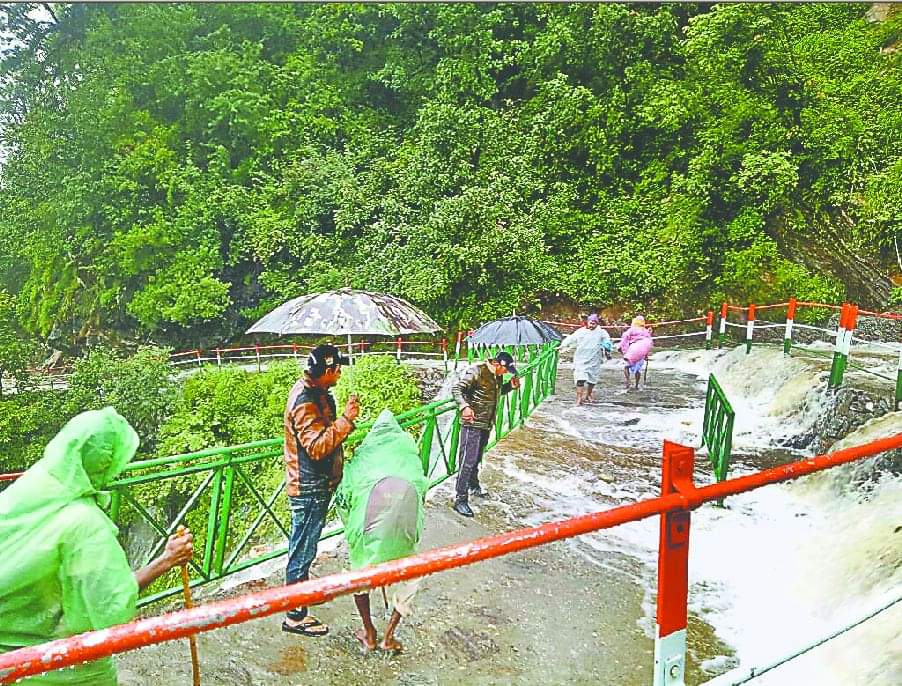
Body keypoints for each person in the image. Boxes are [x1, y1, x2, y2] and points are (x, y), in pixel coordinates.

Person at [0, 407, 194, 686]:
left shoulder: (28, 489)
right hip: (60, 671)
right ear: (104, 464)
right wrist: (167, 559)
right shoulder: (84, 525)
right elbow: (111, 609)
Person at [335, 410, 428, 654]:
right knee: (408, 579)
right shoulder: (409, 459)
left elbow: (344, 497)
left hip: (367, 532)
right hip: (402, 534)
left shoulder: (363, 461)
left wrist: (352, 529)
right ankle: (389, 636)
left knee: (360, 575)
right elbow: (421, 493)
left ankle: (369, 631)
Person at [282, 343, 359, 637]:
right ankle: (294, 614)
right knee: (301, 550)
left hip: (319, 484)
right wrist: (347, 421)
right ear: (327, 371)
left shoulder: (318, 393)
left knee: (306, 547)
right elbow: (315, 447)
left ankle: (301, 594)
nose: (340, 373)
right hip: (309, 486)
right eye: (337, 369)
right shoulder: (304, 401)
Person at [451, 350, 520, 517]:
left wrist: (509, 386)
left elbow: (493, 393)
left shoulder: (496, 375)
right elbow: (457, 389)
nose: (505, 374)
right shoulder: (477, 371)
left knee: (476, 458)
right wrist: (464, 407)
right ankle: (460, 499)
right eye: (505, 370)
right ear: (497, 364)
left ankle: (474, 486)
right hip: (472, 423)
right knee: (467, 461)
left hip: (486, 423)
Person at [558, 313, 613, 405]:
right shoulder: (580, 331)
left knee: (592, 378)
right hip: (581, 358)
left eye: (594, 323)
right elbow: (571, 339)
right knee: (580, 378)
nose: (592, 325)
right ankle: (579, 398)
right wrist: (561, 346)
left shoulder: (601, 332)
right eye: (591, 323)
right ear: (587, 323)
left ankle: (589, 394)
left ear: (597, 324)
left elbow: (607, 340)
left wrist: (607, 346)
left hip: (594, 358)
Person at [619, 315, 654, 391]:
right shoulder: (645, 331)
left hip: (632, 351)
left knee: (626, 366)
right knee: (638, 370)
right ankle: (637, 385)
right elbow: (647, 344)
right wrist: (646, 354)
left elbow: (624, 338)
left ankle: (628, 381)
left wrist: (622, 350)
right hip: (641, 354)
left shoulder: (632, 330)